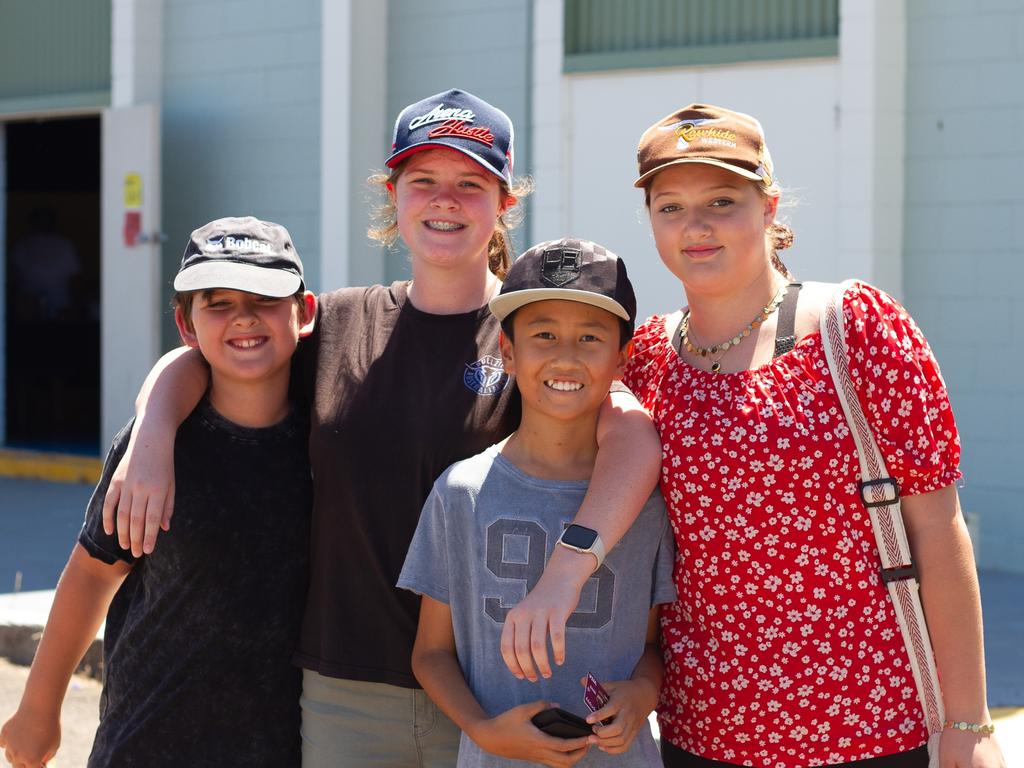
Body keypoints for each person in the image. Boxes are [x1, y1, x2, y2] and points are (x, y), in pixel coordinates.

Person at [99, 90, 662, 767]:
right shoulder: (337, 324)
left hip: (494, 687)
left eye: (469, 183)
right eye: (423, 181)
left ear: (504, 203)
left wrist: (571, 566)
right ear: (393, 196)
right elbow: (205, 357)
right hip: (345, 689)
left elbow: (631, 433)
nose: (444, 200)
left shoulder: (536, 333)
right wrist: (153, 434)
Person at [619, 104, 1007, 768]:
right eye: (671, 207)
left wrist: (968, 726)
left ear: (769, 207)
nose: (698, 226)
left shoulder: (853, 327)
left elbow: (938, 530)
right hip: (704, 737)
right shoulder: (649, 356)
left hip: (875, 730)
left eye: (722, 200)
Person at [0, 216, 317, 767]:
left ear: (305, 312)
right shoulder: (154, 450)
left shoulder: (328, 438)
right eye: (217, 302)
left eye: (264, 298)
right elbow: (93, 572)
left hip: (281, 749)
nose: (243, 316)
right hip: (146, 741)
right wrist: (39, 705)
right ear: (186, 325)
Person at [399, 238, 676, 767]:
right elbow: (431, 653)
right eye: (543, 335)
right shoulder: (461, 492)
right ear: (507, 351)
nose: (565, 356)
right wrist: (484, 731)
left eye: (590, 337)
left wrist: (641, 695)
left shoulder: (642, 502)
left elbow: (651, 648)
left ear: (623, 358)